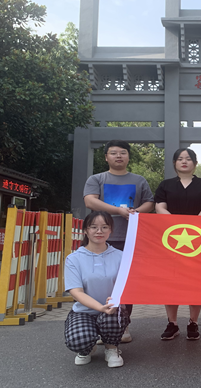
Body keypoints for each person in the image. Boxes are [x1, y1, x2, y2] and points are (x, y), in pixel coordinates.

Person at [83, 140, 155, 343]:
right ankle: (95, 325)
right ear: (106, 157)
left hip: (128, 240)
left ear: (128, 157)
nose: (118, 156)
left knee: (124, 283)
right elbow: (90, 200)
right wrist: (118, 211)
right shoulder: (97, 178)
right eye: (113, 153)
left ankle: (122, 325)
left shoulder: (139, 180)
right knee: (96, 281)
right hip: (99, 240)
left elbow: (150, 202)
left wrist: (135, 212)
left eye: (123, 152)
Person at [155, 148, 201, 340]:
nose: (184, 161)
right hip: (171, 239)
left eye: (188, 158)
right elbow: (159, 206)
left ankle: (193, 322)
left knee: (195, 281)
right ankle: (172, 323)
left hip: (198, 239)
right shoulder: (166, 185)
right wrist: (175, 223)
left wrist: (194, 223)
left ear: (195, 163)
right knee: (171, 280)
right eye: (180, 159)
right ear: (174, 163)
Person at [64, 211, 131, 368]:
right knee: (78, 340)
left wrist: (116, 301)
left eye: (104, 227)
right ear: (86, 230)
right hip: (84, 311)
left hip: (112, 310)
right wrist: (100, 307)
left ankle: (111, 348)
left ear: (111, 230)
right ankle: (86, 348)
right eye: (93, 227)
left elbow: (128, 285)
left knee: (112, 317)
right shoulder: (74, 259)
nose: (99, 231)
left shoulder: (122, 256)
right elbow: (76, 292)